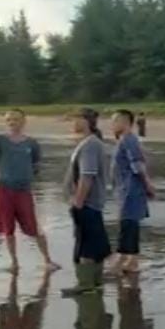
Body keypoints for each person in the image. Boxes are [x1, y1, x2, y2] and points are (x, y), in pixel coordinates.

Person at [0, 109, 59, 272]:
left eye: (16, 119)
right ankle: (14, 263)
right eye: (9, 120)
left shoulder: (31, 143)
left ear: (23, 121)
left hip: (23, 190)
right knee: (8, 228)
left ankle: (48, 260)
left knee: (34, 226)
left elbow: (36, 165)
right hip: (3, 190)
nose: (12, 123)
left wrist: (29, 178)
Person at [62, 108, 111, 297]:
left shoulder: (90, 144)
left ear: (85, 121)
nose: (73, 123)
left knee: (86, 244)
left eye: (75, 118)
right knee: (94, 242)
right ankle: (96, 283)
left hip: (87, 203)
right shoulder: (90, 143)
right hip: (91, 203)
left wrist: (78, 202)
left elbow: (87, 176)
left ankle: (86, 284)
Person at [110, 110, 156, 275]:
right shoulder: (124, 140)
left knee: (127, 223)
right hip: (125, 189)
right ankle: (132, 259)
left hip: (130, 189)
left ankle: (124, 258)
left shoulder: (129, 140)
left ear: (124, 122)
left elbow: (137, 165)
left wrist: (148, 184)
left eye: (115, 121)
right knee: (130, 223)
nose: (112, 125)